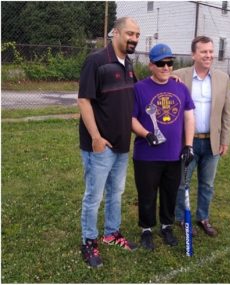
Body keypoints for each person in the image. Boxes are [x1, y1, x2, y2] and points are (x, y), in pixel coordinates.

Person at [77, 17, 140, 268]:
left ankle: (112, 233)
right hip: (100, 146)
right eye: (130, 33)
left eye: (137, 34)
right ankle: (88, 242)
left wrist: (173, 77)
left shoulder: (130, 64)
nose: (134, 38)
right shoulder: (96, 61)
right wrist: (95, 137)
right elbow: (84, 100)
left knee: (116, 193)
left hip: (122, 145)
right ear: (116, 32)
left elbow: (137, 92)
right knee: (94, 197)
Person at [132, 43, 195, 250]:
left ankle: (166, 226)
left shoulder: (180, 87)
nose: (166, 67)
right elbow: (130, 118)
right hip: (146, 155)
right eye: (161, 63)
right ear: (151, 65)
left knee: (169, 193)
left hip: (173, 155)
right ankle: (147, 229)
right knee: (147, 194)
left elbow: (189, 117)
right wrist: (146, 134)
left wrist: (188, 145)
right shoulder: (139, 88)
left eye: (169, 63)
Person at [173, 36, 230, 237]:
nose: (209, 55)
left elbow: (227, 113)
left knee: (207, 184)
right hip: (187, 142)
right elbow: (161, 79)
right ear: (193, 54)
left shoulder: (223, 79)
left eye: (210, 51)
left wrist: (225, 140)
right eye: (204, 52)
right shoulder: (179, 75)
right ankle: (181, 217)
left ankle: (203, 217)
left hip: (211, 142)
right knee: (183, 182)